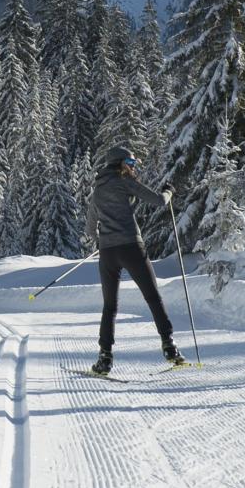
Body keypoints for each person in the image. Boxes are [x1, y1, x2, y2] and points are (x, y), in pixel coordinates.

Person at [83, 146, 183, 375]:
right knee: (153, 296)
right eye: (130, 162)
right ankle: (169, 347)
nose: (133, 167)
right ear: (119, 163)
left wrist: (101, 239)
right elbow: (159, 201)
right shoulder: (123, 181)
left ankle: (104, 358)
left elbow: (90, 228)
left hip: (108, 253)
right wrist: (169, 191)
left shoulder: (97, 189)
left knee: (110, 307)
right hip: (131, 247)